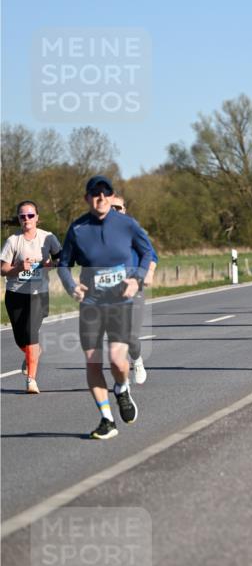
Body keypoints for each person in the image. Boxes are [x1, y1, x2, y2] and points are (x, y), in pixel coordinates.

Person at [58, 175, 154, 440]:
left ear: (111, 197)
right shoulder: (77, 229)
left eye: (105, 193)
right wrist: (71, 286)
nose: (100, 198)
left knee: (116, 360)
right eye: (95, 193)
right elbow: (63, 264)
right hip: (90, 304)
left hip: (120, 302)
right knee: (92, 362)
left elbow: (147, 252)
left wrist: (137, 278)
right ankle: (107, 419)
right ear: (87, 198)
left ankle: (121, 388)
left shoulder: (127, 224)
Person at [1, 200, 61, 393]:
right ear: (19, 219)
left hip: (38, 294)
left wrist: (52, 264)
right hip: (15, 294)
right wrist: (19, 268)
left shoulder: (48, 238)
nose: (26, 219)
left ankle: (31, 380)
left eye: (30, 215)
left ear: (37, 218)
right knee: (21, 339)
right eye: (22, 216)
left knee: (31, 334)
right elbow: (3, 269)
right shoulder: (13, 241)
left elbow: (60, 258)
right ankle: (34, 352)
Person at [110, 195, 158, 385]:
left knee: (131, 335)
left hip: (134, 286)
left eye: (118, 208)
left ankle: (137, 361)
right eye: (111, 207)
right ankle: (121, 379)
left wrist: (149, 272)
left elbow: (151, 255)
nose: (114, 211)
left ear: (124, 210)